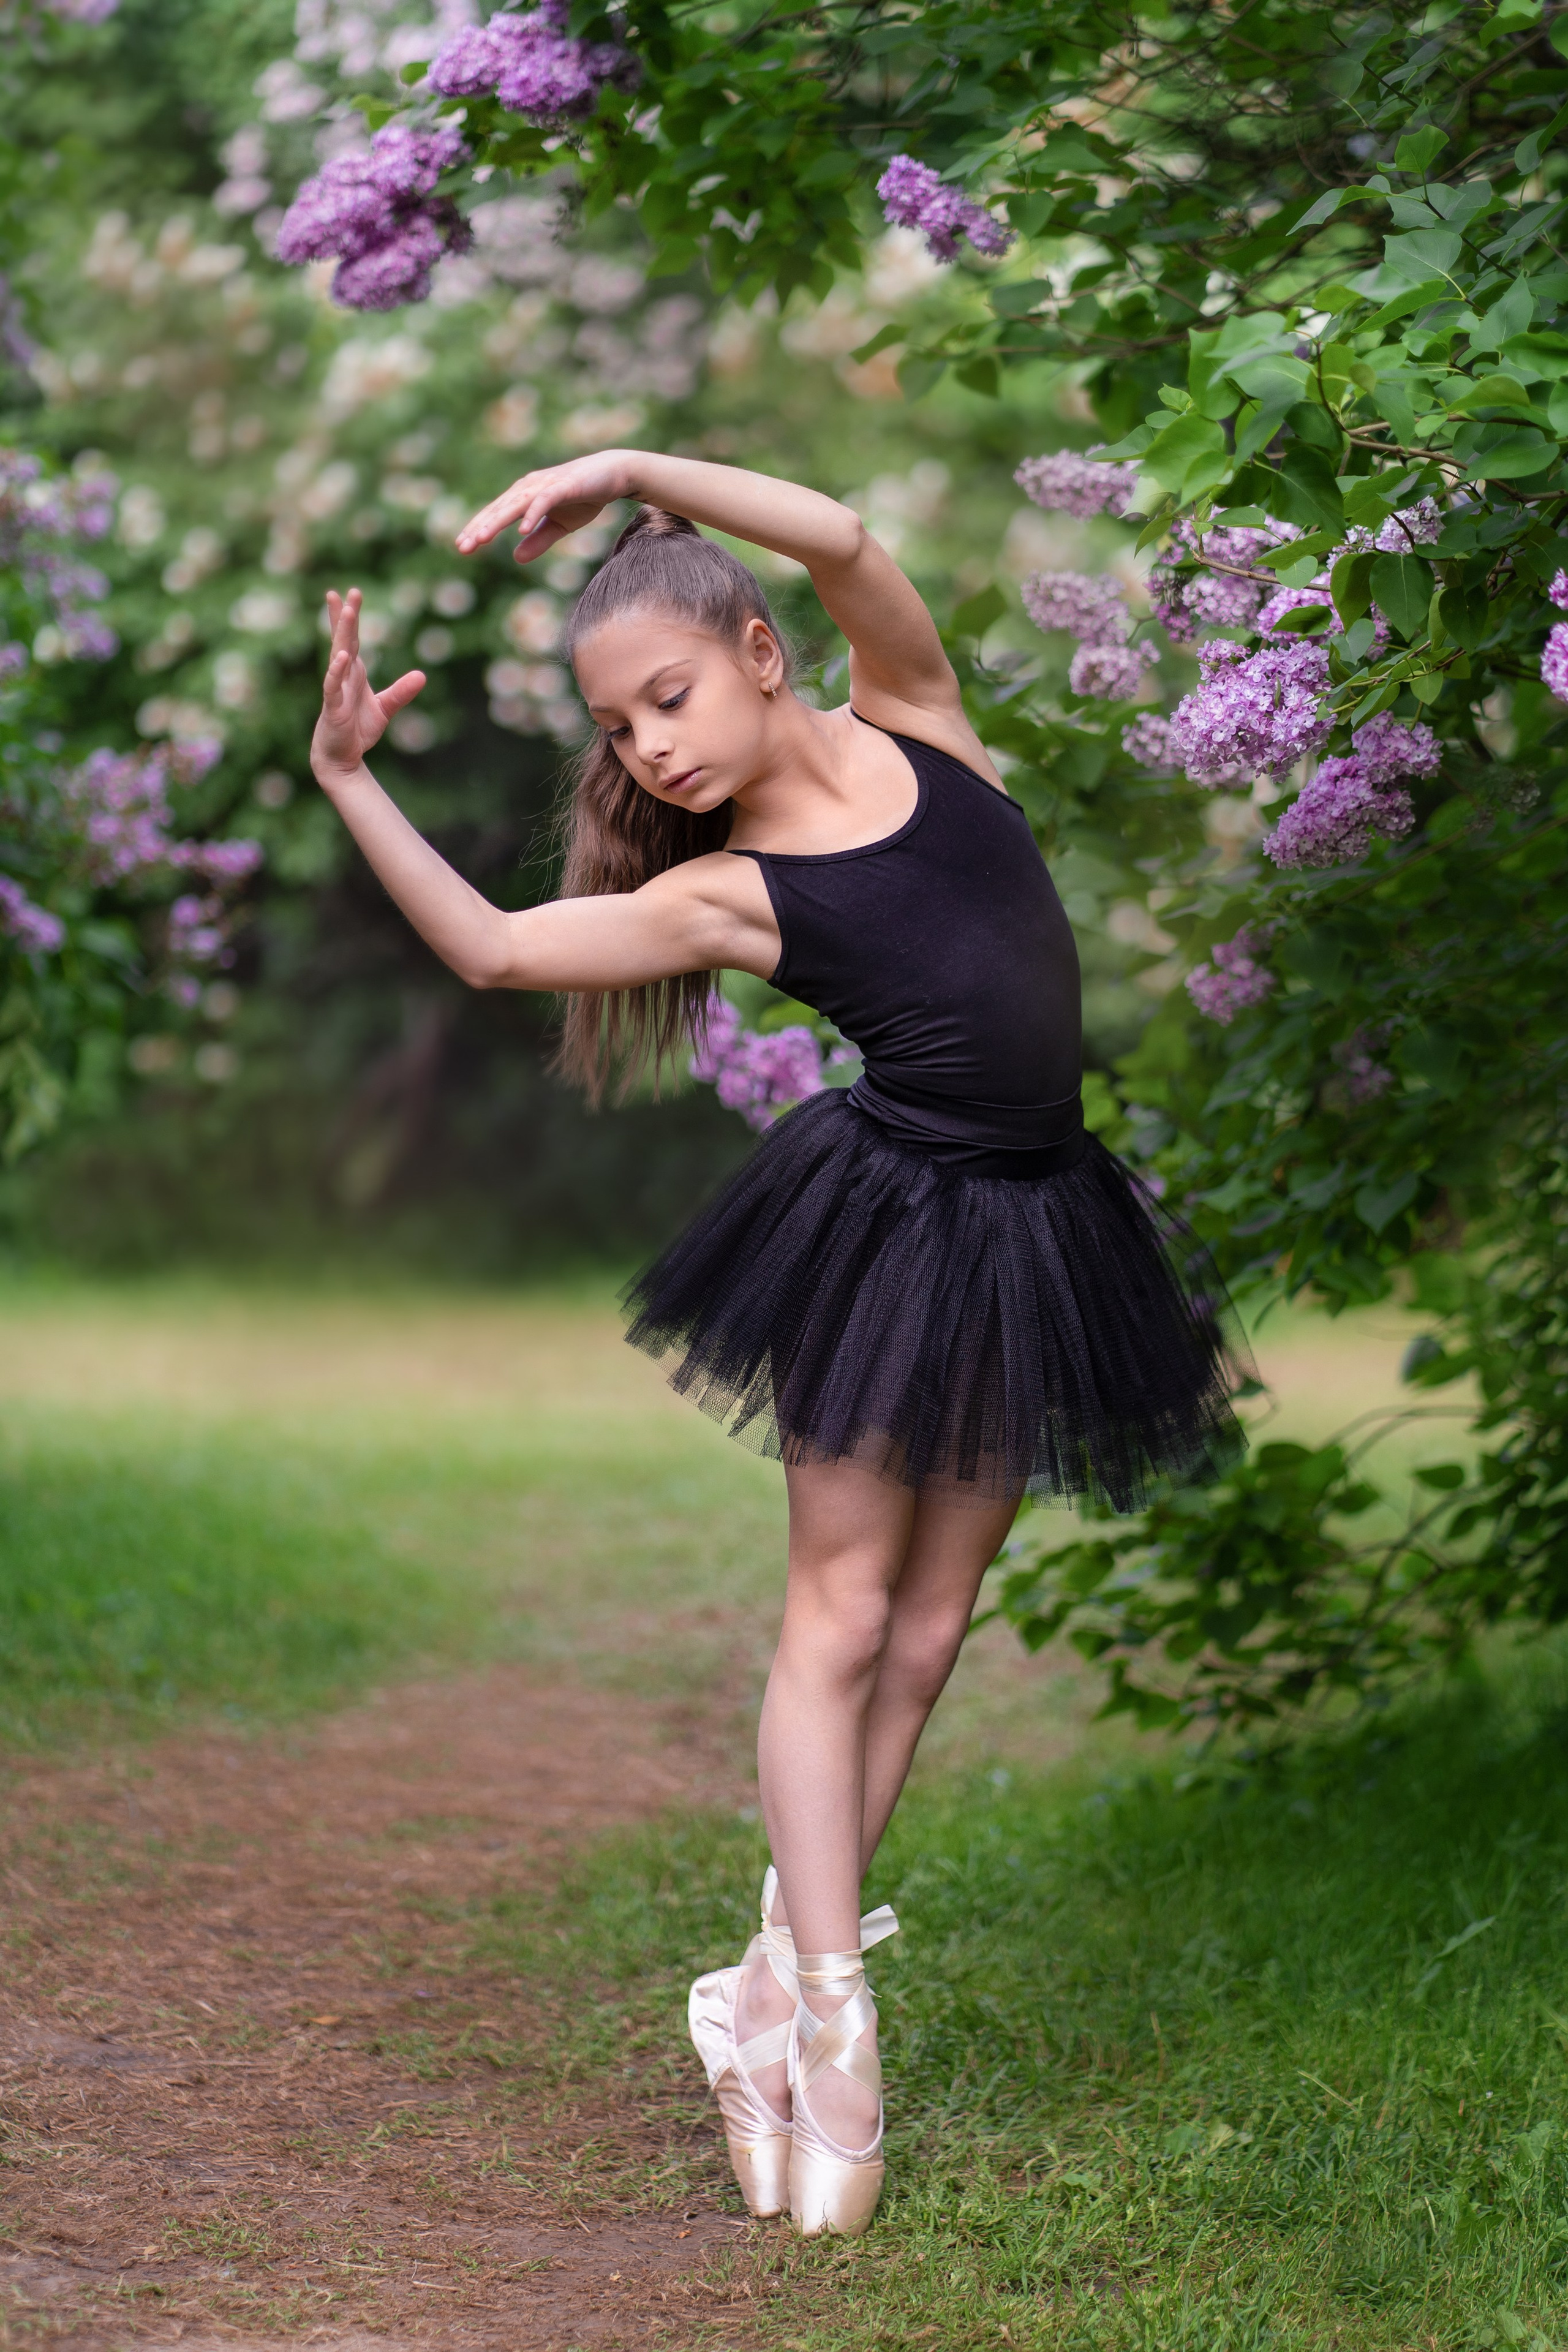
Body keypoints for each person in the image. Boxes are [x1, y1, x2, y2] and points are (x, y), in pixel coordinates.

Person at [308, 450, 1247, 2240]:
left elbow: (846, 539)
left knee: (932, 1627)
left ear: (759, 651)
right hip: (886, 1231)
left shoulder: (923, 718)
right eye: (620, 727)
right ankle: (832, 2017)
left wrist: (638, 468)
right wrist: (350, 781)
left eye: (666, 697)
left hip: (1037, 1224)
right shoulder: (736, 892)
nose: (648, 749)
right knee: (837, 1615)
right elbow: (504, 950)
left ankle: (752, 1997)